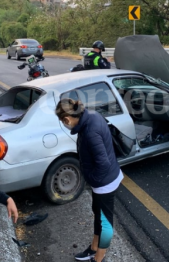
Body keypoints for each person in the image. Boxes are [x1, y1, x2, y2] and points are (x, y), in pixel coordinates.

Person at [55, 98, 122, 262]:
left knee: (105, 221)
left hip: (104, 183)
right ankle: (93, 249)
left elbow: (103, 163)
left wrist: (92, 179)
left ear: (67, 119)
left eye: (63, 122)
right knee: (98, 215)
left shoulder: (90, 131)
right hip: (103, 180)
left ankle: (99, 258)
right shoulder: (90, 115)